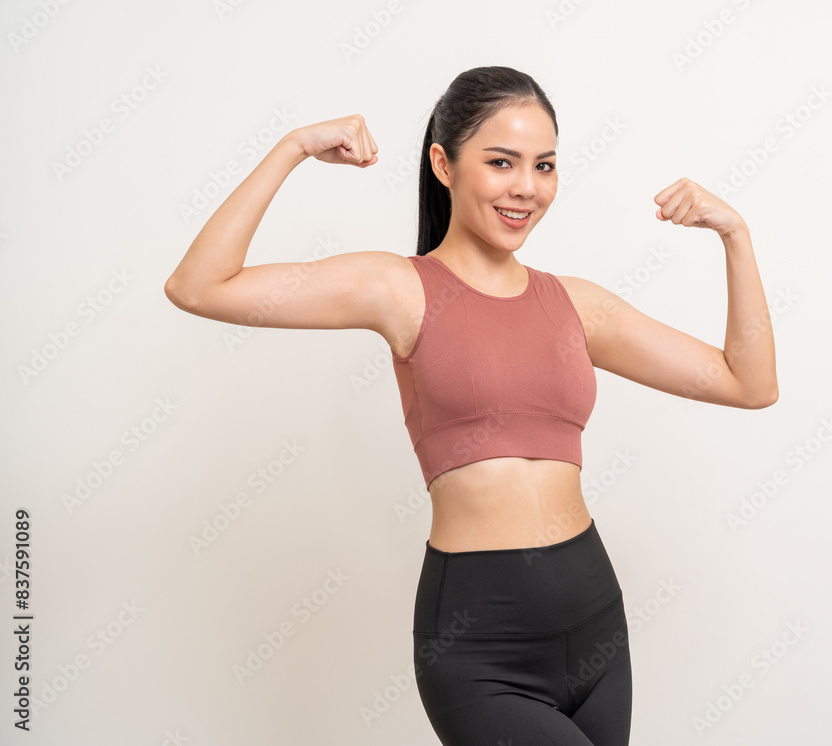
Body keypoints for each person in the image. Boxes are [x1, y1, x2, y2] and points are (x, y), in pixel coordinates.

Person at [164, 65, 777, 745]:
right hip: (481, 647)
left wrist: (735, 235)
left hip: (597, 629)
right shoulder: (398, 288)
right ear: (443, 164)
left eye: (543, 165)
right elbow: (199, 285)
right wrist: (293, 148)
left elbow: (747, 383)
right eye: (501, 162)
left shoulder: (576, 305)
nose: (526, 187)